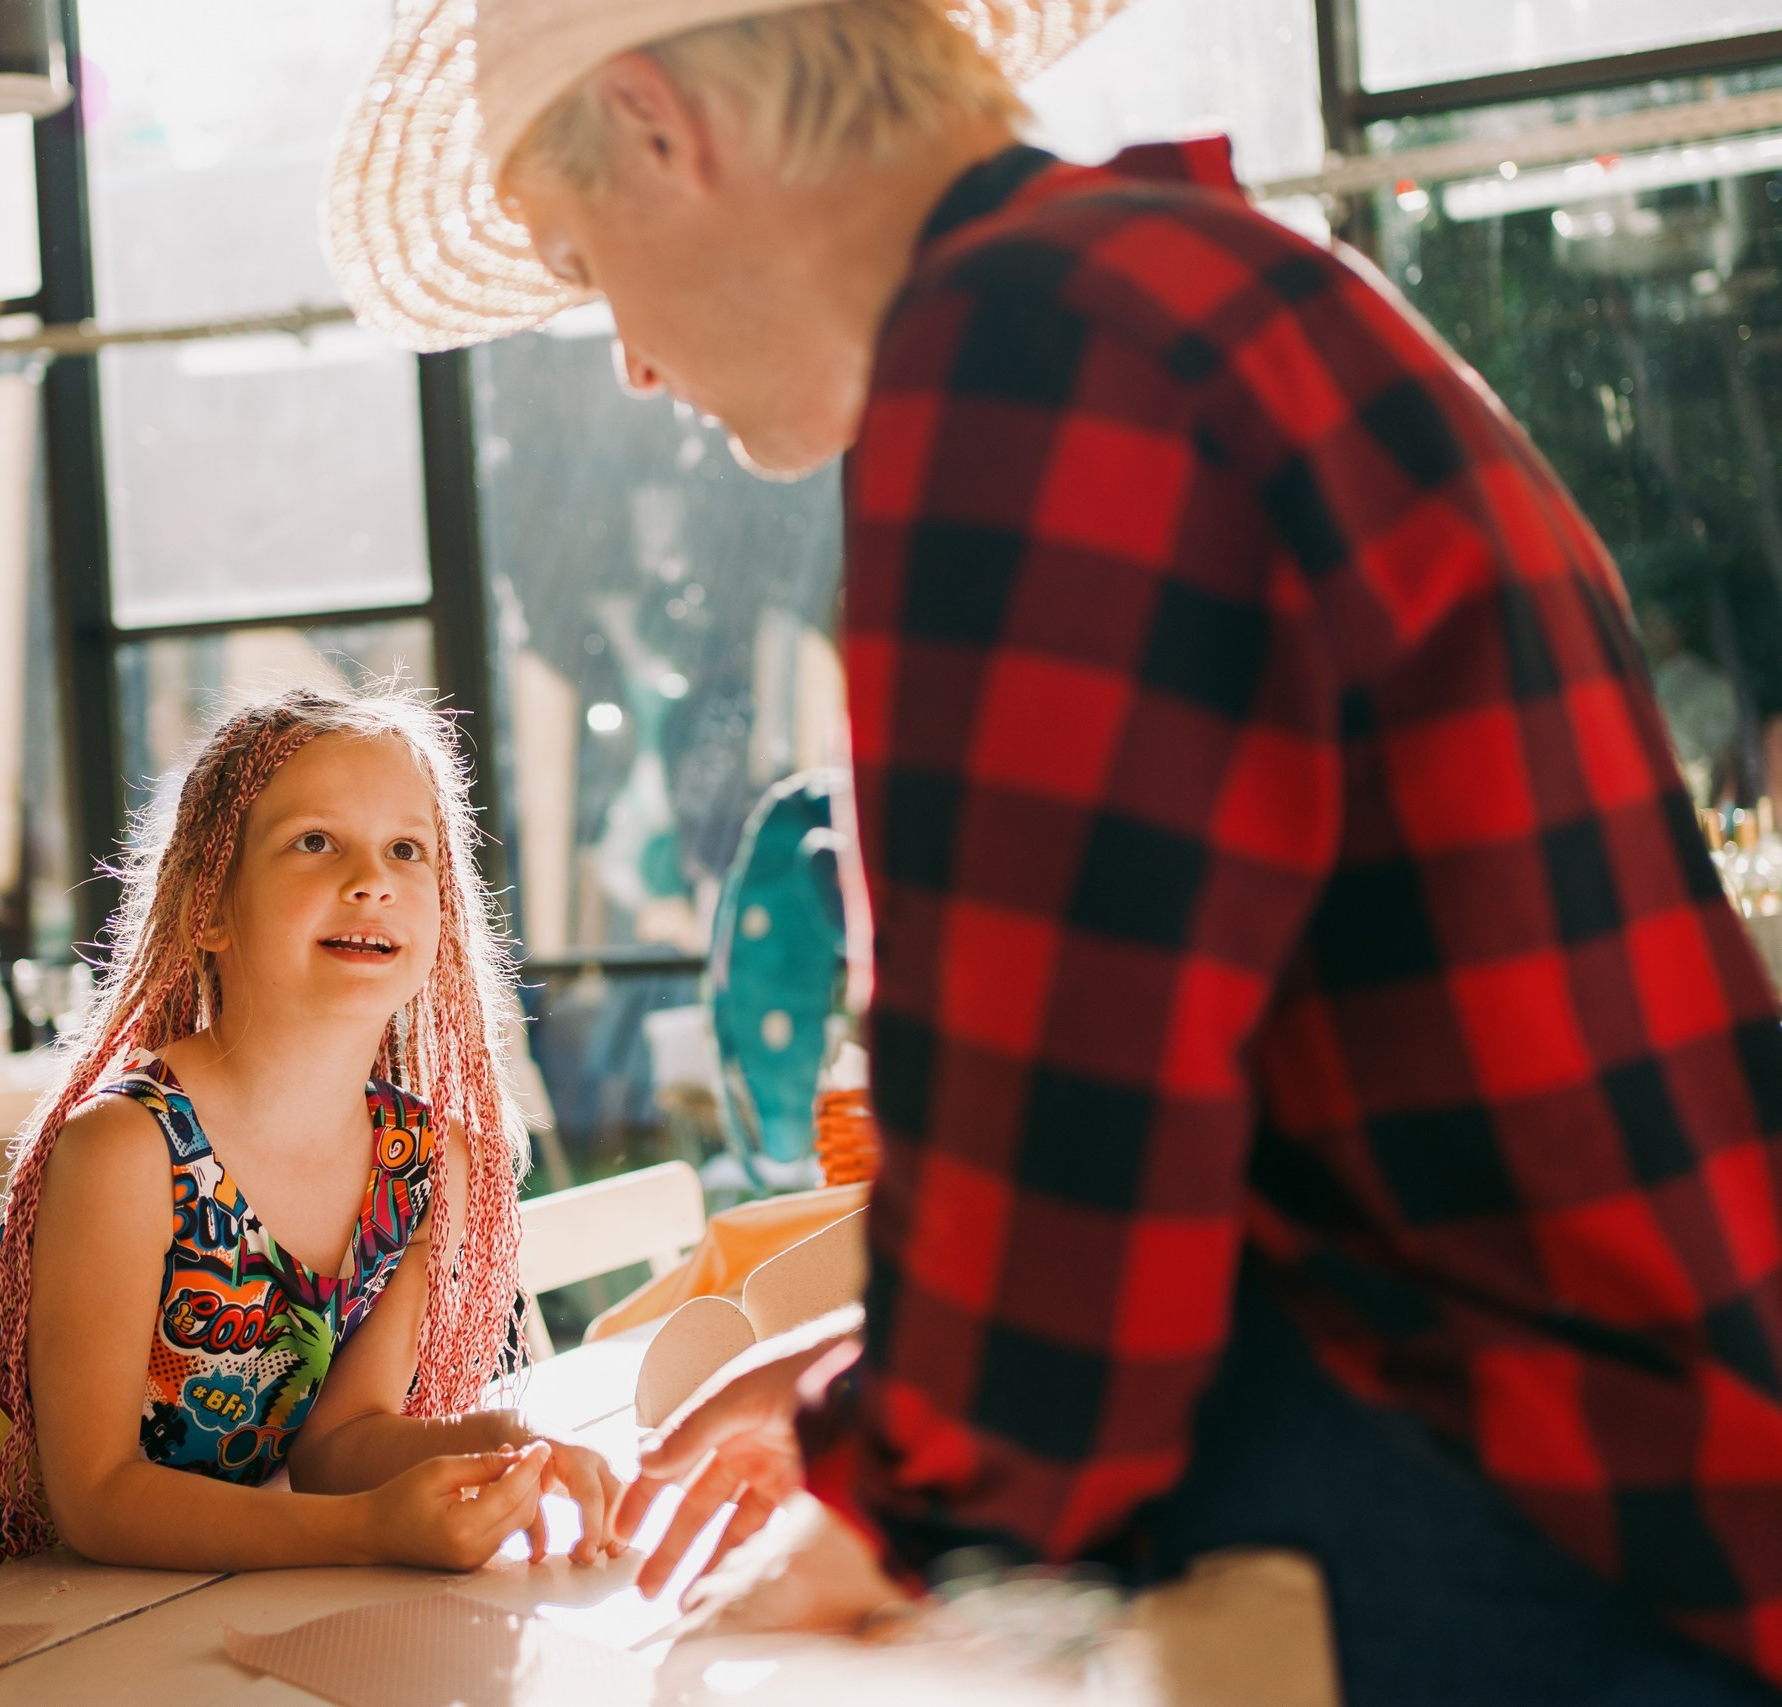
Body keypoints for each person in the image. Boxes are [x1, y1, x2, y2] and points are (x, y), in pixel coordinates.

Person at [323, 1, 1782, 1702]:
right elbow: (1203, 1096)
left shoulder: (1026, 356)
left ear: (662, 130)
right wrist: (864, 1378)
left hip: (1544, 1539)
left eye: (588, 274)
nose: (632, 362)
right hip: (1667, 1468)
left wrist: (887, 1496)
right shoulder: (1200, 285)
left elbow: (1065, 1131)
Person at [0, 687, 621, 1608]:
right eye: (316, 842)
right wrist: (366, 1531)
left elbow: (338, 1444)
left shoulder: (432, 1163)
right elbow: (96, 1499)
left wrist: (501, 1444)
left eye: (408, 848)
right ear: (210, 905)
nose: (373, 878)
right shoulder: (127, 1149)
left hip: (172, 1599)